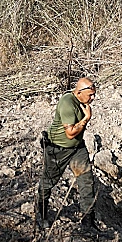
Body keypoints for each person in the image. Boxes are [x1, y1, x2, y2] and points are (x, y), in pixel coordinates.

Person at [36, 77, 99, 232]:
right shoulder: (67, 103)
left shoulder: (82, 102)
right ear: (78, 92)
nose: (93, 98)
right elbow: (70, 133)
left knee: (87, 181)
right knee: (48, 181)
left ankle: (88, 223)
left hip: (77, 148)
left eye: (94, 94)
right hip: (58, 149)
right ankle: (41, 214)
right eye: (90, 95)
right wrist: (86, 118)